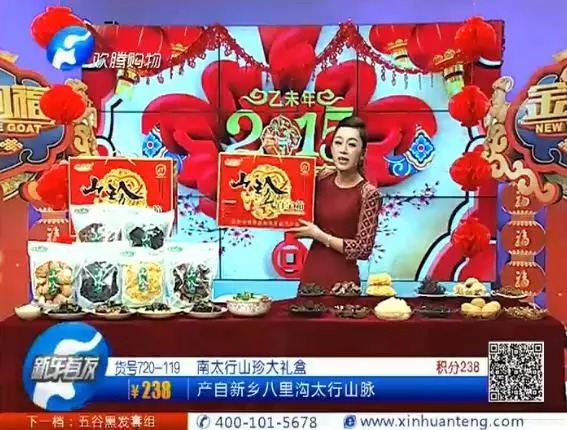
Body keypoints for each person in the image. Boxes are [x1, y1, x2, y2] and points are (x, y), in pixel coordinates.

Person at [264, 116, 382, 289]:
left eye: (351, 145)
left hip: (343, 284)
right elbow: (287, 185)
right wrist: (273, 154)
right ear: (331, 148)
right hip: (311, 275)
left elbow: (363, 250)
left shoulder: (369, 194)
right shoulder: (321, 177)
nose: (343, 150)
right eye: (338, 143)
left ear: (362, 153)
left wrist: (319, 235)